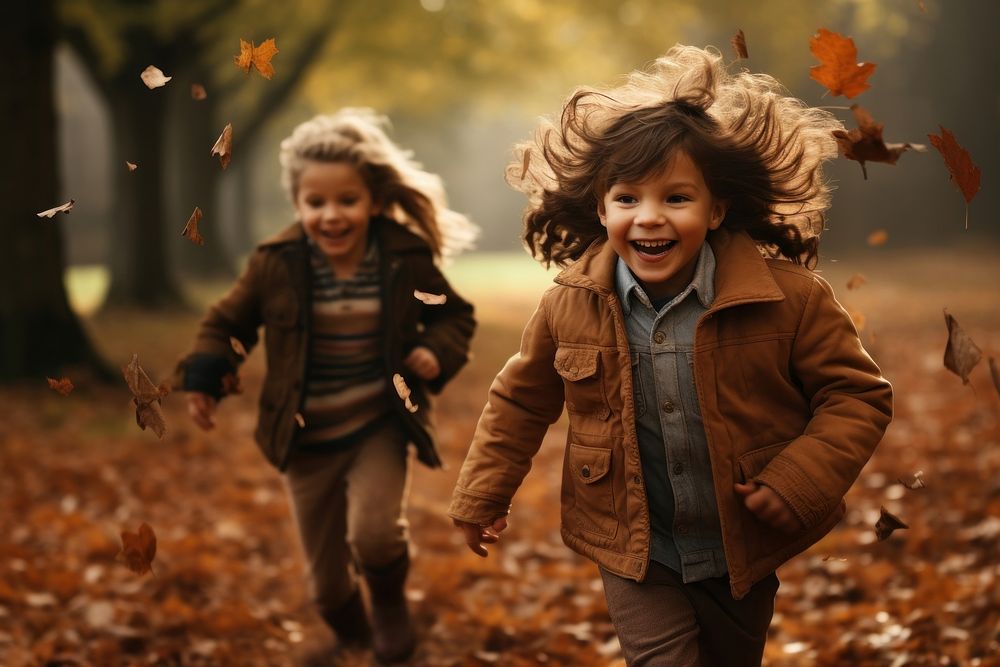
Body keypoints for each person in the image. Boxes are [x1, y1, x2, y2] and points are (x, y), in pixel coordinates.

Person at [448, 45, 892, 666]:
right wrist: (481, 495)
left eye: (676, 198)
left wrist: (798, 481)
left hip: (741, 541)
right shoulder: (571, 304)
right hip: (637, 548)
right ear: (601, 208)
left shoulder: (788, 299)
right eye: (627, 198)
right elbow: (520, 401)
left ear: (716, 209)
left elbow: (857, 395)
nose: (649, 217)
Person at [176, 109, 477, 663]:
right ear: (298, 204)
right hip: (305, 439)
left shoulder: (401, 257)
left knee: (375, 535)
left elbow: (450, 315)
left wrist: (436, 350)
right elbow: (228, 325)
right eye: (316, 203)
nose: (331, 215)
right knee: (326, 587)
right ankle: (351, 632)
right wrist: (205, 378)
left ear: (373, 201)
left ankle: (388, 608)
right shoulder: (276, 264)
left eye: (347, 201)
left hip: (378, 425)